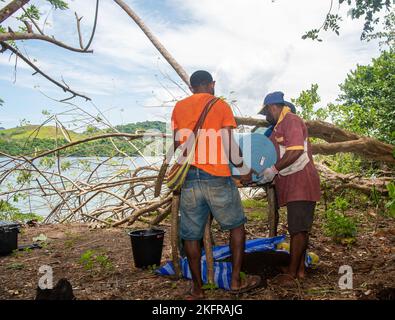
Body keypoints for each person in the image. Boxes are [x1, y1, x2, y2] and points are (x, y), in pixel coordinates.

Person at [171, 70, 261, 299]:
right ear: (211, 84)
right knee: (236, 226)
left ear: (192, 88)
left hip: (189, 177)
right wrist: (244, 170)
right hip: (216, 176)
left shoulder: (179, 108)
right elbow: (230, 146)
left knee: (190, 236)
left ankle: (197, 289)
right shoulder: (220, 105)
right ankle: (235, 281)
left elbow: (176, 146)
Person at [258, 91, 321, 285]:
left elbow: (295, 151)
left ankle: (291, 274)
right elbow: (262, 155)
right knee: (300, 229)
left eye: (266, 112)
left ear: (272, 107)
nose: (266, 116)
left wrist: (274, 169)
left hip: (301, 182)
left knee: (298, 230)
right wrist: (250, 173)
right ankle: (300, 269)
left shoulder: (291, 120)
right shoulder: (277, 128)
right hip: (293, 185)